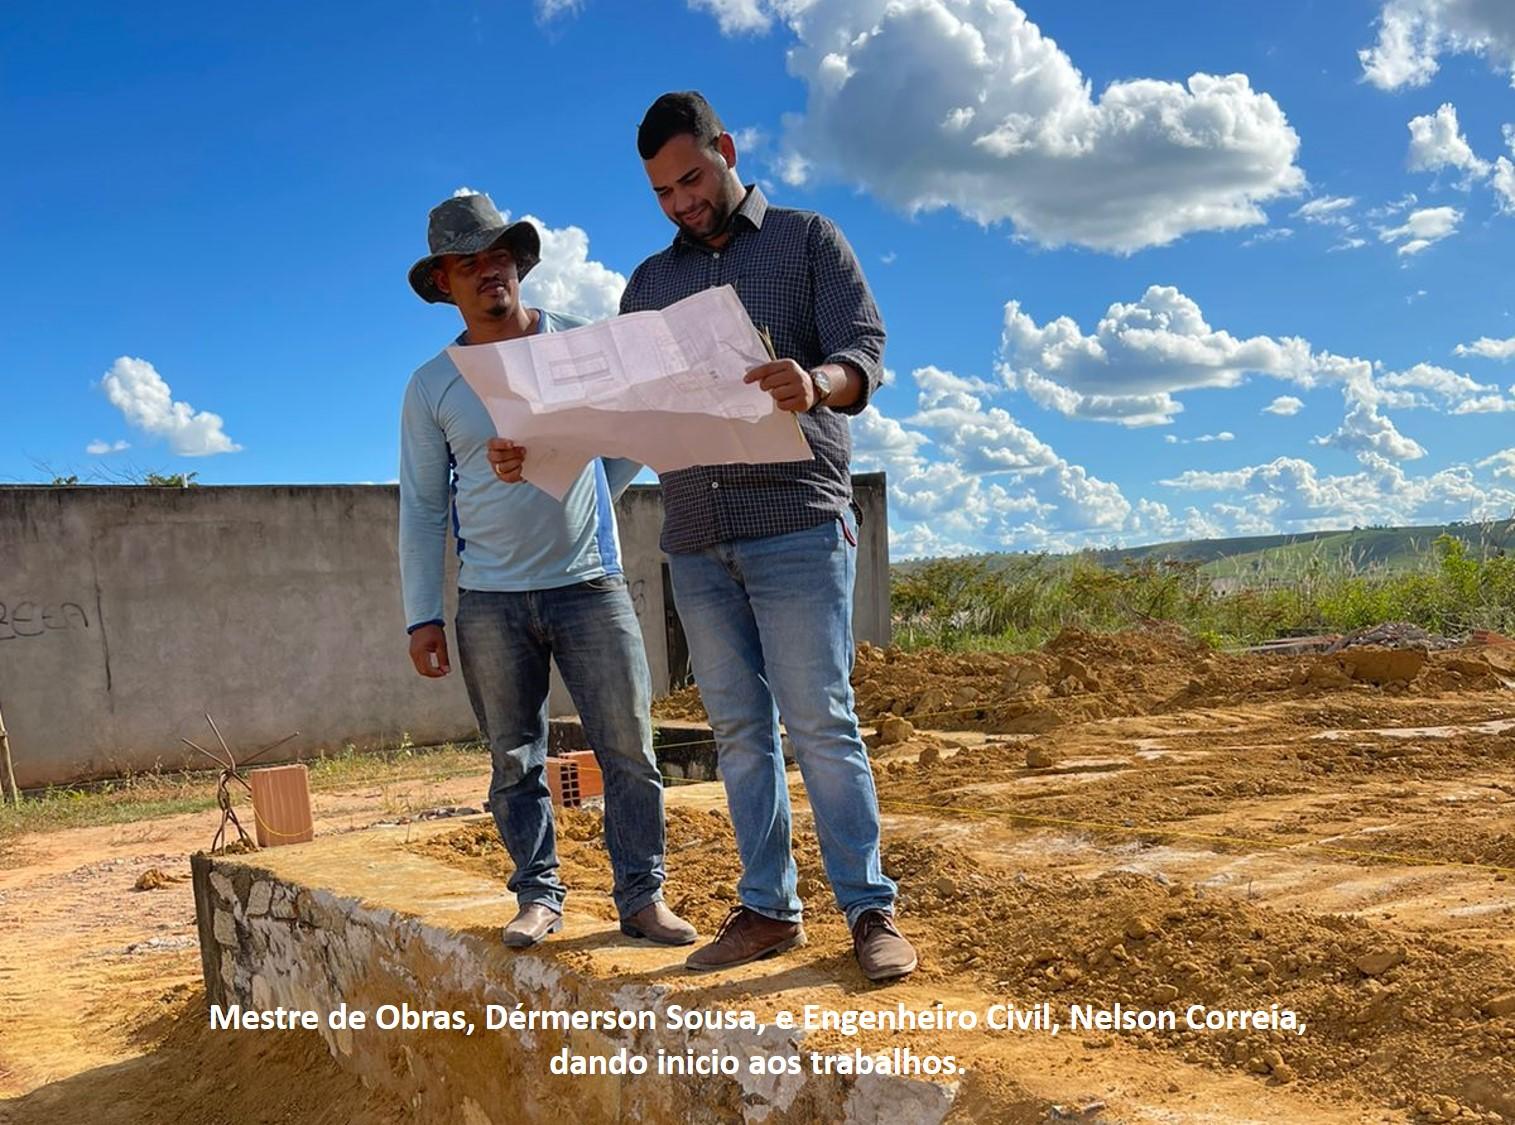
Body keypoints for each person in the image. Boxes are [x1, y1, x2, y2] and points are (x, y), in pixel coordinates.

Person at [499, 92, 915, 980]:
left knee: (821, 722)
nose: (681, 201)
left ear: (726, 151)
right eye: (661, 192)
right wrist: (538, 448)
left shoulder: (807, 240)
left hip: (796, 521)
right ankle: (768, 909)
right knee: (737, 731)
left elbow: (866, 351)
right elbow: (621, 416)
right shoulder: (648, 286)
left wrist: (816, 379)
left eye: (691, 178)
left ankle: (868, 907)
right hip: (696, 538)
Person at [399, 191, 695, 950]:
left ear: (517, 264)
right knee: (513, 759)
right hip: (490, 602)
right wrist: (421, 614)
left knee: (629, 749)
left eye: (497, 254)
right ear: (444, 284)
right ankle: (538, 895)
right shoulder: (432, 386)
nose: (486, 271)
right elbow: (425, 509)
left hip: (590, 584)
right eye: (467, 263)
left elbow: (629, 437)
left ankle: (641, 896)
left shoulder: (575, 346)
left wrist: (577, 479)